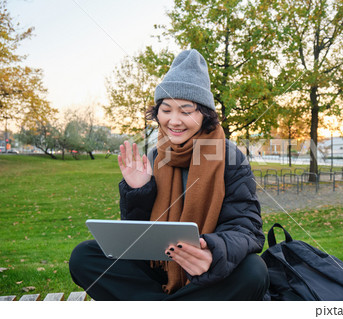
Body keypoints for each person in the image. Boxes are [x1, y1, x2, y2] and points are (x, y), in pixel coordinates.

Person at [69, 49, 269, 301]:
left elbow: (247, 228)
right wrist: (138, 191)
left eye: (186, 111)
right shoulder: (154, 157)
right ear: (157, 112)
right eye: (166, 110)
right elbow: (137, 238)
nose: (174, 120)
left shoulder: (229, 156)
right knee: (84, 257)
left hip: (207, 273)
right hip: (159, 269)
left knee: (254, 272)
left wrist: (213, 253)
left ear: (204, 115)